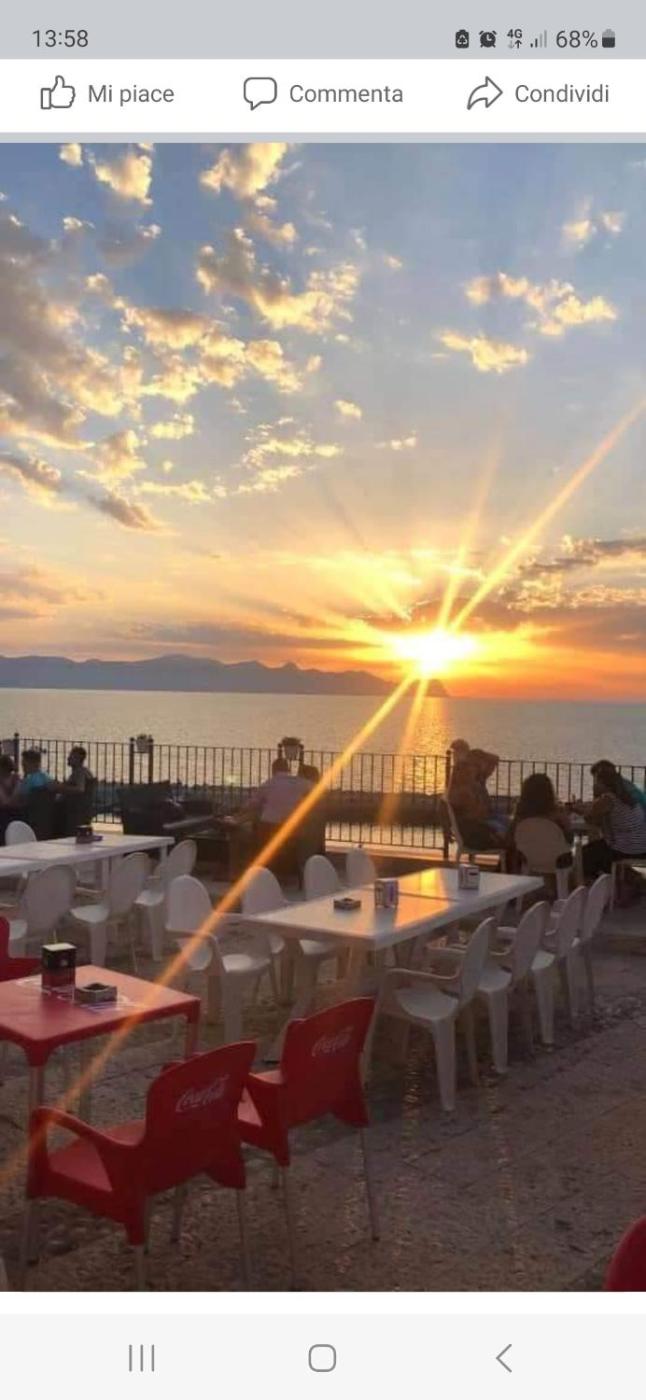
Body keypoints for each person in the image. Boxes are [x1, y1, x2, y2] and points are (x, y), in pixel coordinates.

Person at [578, 760, 646, 881]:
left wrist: (580, 808)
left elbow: (589, 818)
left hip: (628, 848)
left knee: (583, 855)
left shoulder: (608, 799)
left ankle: (597, 885)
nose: (594, 784)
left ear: (602, 783)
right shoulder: (626, 794)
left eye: (596, 781)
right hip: (642, 846)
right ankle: (624, 878)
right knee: (597, 849)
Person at [447, 740, 505, 850]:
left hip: (486, 818)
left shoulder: (478, 778)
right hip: (478, 827)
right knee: (507, 830)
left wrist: (472, 755)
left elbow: (495, 758)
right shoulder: (462, 788)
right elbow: (473, 815)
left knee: (512, 826)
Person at [511, 773, 573, 842]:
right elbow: (569, 840)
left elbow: (509, 843)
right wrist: (566, 824)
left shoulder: (519, 821)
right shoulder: (557, 820)